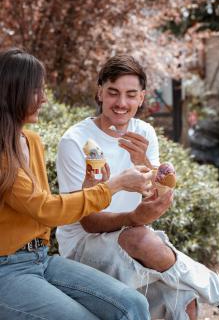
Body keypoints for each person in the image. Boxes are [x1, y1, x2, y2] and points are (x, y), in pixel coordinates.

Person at [56, 54, 219, 320]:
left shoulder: (144, 133)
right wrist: (133, 218)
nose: (121, 103)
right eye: (113, 93)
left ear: (142, 97)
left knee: (183, 305)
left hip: (134, 240)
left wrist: (145, 165)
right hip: (84, 246)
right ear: (99, 93)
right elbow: (86, 222)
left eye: (131, 95)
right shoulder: (76, 141)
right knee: (139, 236)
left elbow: (153, 202)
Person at [0, 48, 156, 320]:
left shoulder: (31, 142)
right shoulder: (2, 155)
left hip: (40, 259)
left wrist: (89, 187)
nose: (44, 99)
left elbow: (45, 209)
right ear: (15, 91)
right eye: (37, 90)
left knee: (133, 305)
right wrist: (114, 185)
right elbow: (46, 210)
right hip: (5, 270)